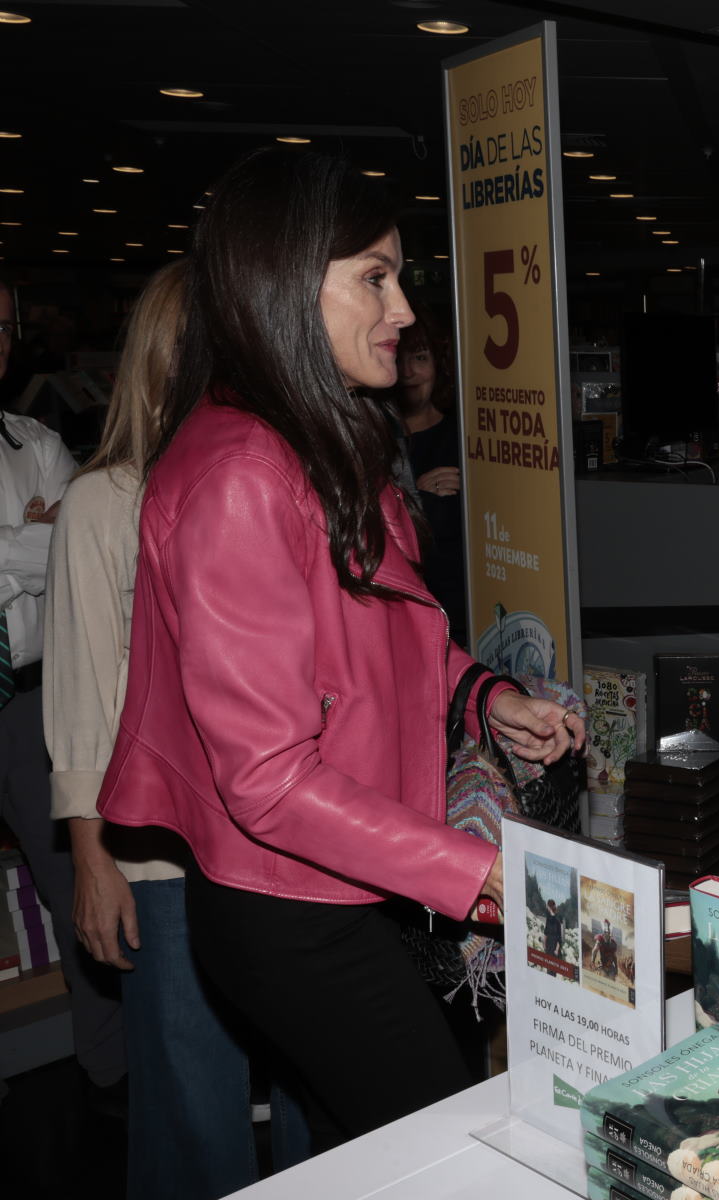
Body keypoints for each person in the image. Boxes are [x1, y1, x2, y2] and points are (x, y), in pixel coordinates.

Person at [95, 148, 585, 1151]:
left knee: (376, 1155)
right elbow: (268, 778)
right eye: (373, 276)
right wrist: (470, 871)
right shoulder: (240, 472)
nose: (402, 309)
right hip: (296, 905)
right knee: (449, 1148)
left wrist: (486, 696)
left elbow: (395, 641)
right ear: (282, 285)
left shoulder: (320, 439)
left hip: (362, 877)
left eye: (398, 275)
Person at [43, 261, 310, 1196]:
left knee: (317, 1095)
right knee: (194, 1110)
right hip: (162, 860)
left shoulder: (275, 479)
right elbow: (81, 689)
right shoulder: (102, 502)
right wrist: (89, 858)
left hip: (285, 850)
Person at [0, 274, 127, 1114]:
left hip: (24, 705)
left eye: (7, 324)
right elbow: (49, 551)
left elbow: (80, 544)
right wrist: (32, 536)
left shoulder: (33, 439)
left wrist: (34, 538)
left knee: (75, 883)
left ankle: (111, 1075)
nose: (1, 338)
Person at [378, 311, 467, 644]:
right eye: (398, 359)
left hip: (462, 616)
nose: (409, 372)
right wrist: (414, 495)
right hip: (399, 621)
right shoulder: (371, 440)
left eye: (420, 358)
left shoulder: (465, 437)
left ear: (439, 365)